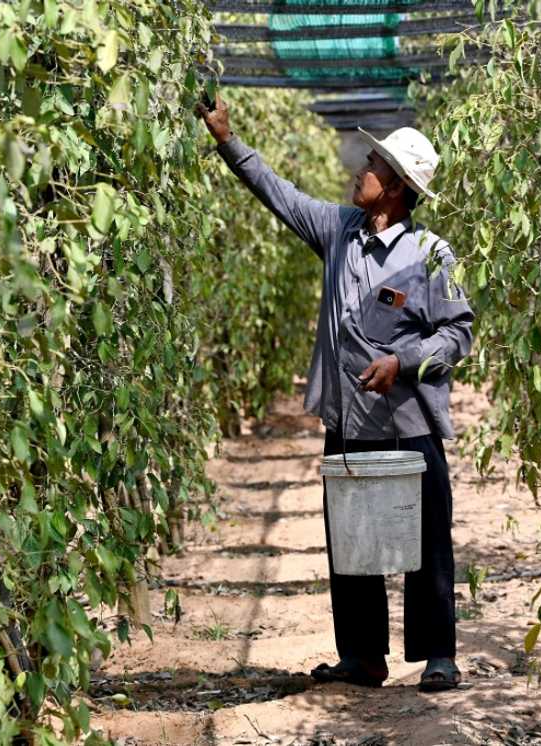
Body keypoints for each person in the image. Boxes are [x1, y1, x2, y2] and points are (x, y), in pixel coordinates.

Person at [197, 94, 473, 692]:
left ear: (397, 187)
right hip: (349, 423)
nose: (361, 169)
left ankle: (438, 656)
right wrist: (228, 141)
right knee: (352, 543)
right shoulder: (339, 233)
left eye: (373, 165)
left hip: (410, 424)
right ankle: (364, 657)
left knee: (426, 541)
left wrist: (402, 362)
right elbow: (281, 195)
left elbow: (458, 333)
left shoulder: (431, 256)